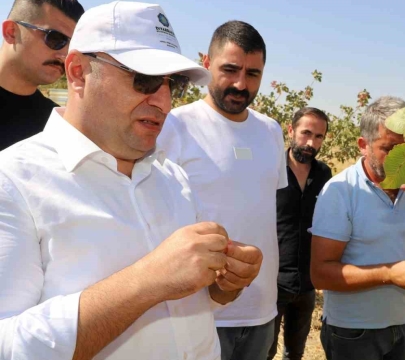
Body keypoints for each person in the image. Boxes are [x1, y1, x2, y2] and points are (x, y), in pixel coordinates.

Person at [0, 2, 263, 360]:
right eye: (145, 80)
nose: (164, 103)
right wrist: (147, 281)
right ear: (78, 72)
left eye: (175, 84)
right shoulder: (13, 181)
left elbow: (190, 309)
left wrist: (224, 285)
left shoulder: (174, 177)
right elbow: (8, 345)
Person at [158, 20, 286, 360]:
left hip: (261, 310)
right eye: (230, 69)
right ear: (206, 61)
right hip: (197, 313)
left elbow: (266, 212)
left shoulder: (271, 131)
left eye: (253, 74)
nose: (241, 84)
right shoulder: (174, 126)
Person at [310, 96, 405, 360]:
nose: (401, 158)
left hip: (402, 325)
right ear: (362, 145)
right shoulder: (340, 192)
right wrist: (390, 274)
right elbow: (321, 274)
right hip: (353, 332)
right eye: (389, 148)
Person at [268, 107, 332, 360]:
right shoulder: (270, 169)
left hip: (307, 283)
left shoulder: (324, 174)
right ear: (290, 130)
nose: (310, 142)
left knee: (295, 351)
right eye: (306, 133)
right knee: (265, 350)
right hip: (272, 280)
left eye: (318, 137)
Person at [0, 0, 84, 151]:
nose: (64, 56)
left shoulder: (56, 126)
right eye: (56, 39)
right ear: (11, 32)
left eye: (72, 47)